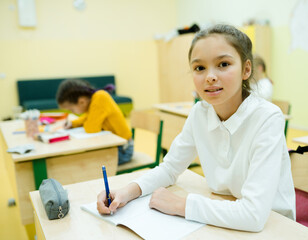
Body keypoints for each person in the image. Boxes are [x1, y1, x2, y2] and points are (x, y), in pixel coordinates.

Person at [97, 24, 295, 232]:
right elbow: (170, 168)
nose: (210, 76)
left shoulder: (267, 118)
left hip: (275, 226)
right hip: (225, 212)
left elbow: (253, 215)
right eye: (200, 68)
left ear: (246, 69)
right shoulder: (200, 113)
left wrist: (180, 205)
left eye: (223, 64)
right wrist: (126, 192)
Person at [56, 79, 133, 165]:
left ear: (82, 101)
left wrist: (81, 123)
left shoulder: (100, 98)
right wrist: (73, 124)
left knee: (84, 163)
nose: (72, 112)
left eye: (71, 109)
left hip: (123, 150)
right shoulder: (94, 100)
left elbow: (91, 129)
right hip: (112, 146)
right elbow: (87, 118)